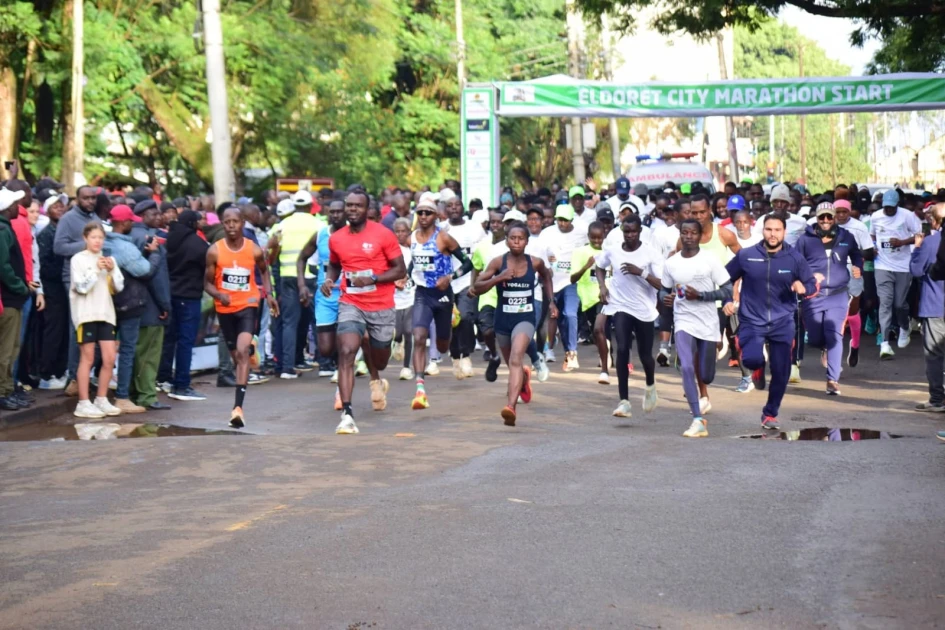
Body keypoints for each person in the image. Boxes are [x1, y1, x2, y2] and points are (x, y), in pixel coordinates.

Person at [323, 190, 406, 434]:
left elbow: (400, 270)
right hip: (351, 302)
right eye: (349, 205)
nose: (352, 209)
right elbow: (334, 264)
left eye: (357, 206)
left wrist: (374, 278)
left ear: (367, 209)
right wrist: (329, 280)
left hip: (381, 306)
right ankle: (347, 414)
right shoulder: (337, 238)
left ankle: (377, 376)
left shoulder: (383, 234)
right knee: (346, 351)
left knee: (380, 359)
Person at [726, 215, 817, 431]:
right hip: (752, 319)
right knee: (752, 359)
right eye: (769, 229)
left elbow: (812, 285)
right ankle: (756, 368)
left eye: (777, 230)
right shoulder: (746, 255)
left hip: (782, 321)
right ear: (763, 231)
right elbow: (725, 278)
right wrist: (729, 299)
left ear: (784, 232)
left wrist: (804, 288)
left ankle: (770, 413)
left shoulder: (794, 258)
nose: (773, 234)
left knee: (781, 370)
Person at [474, 222, 555, 425]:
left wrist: (552, 301)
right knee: (512, 363)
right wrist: (498, 278)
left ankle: (510, 407)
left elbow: (547, 277)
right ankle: (524, 380)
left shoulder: (535, 262)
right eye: (512, 238)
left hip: (525, 318)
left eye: (521, 239)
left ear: (527, 242)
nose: (516, 242)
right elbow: (477, 286)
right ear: (507, 241)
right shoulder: (497, 262)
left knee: (516, 358)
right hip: (502, 320)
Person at [204, 206, 278, 428]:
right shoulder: (214, 251)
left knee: (242, 351)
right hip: (225, 308)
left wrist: (269, 294)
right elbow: (206, 283)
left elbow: (264, 270)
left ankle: (238, 409)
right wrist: (219, 294)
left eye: (235, 221)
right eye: (227, 222)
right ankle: (250, 352)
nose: (231, 226)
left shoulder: (253, 249)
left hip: (248, 304)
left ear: (242, 223)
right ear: (222, 224)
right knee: (237, 356)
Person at [662, 219, 733, 438]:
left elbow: (727, 290)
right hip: (683, 320)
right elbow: (663, 290)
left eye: (693, 233)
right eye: (685, 232)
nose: (689, 236)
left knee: (707, 375)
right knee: (686, 367)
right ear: (680, 235)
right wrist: (666, 297)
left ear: (700, 236)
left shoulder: (709, 260)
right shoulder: (671, 263)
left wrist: (701, 295)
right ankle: (697, 419)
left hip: (708, 322)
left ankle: (704, 389)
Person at [408, 197, 472, 410]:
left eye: (428, 212)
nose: (423, 216)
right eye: (420, 212)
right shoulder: (412, 238)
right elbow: (414, 262)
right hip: (422, 294)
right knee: (419, 337)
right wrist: (405, 277)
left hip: (443, 294)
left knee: (443, 345)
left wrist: (450, 277)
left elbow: (468, 263)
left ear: (436, 216)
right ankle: (420, 389)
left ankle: (450, 326)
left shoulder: (443, 237)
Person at [597, 215, 662, 417]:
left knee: (645, 356)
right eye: (627, 231)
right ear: (622, 231)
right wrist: (602, 287)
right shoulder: (613, 250)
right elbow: (599, 266)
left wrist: (640, 272)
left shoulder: (651, 253)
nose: (630, 235)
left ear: (640, 231)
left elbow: (662, 284)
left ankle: (650, 385)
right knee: (622, 348)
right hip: (620, 305)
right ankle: (624, 401)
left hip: (644, 309)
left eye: (634, 231)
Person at [795, 202, 863, 396]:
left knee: (835, 336)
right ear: (816, 218)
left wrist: (858, 266)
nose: (825, 220)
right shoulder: (805, 240)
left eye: (829, 217)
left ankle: (832, 380)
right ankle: (823, 347)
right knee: (815, 338)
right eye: (822, 217)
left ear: (834, 218)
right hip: (813, 296)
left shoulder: (846, 236)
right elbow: (795, 263)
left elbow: (856, 254)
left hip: (838, 294)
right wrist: (803, 280)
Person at [105, 205, 162, 413]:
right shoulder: (124, 247)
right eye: (130, 221)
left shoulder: (104, 242)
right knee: (127, 350)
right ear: (123, 223)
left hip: (106, 304)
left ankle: (100, 396)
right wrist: (154, 254)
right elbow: (145, 271)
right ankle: (122, 397)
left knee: (103, 351)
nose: (133, 224)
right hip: (128, 304)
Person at [69, 223, 124, 418]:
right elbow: (81, 287)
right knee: (88, 358)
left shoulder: (109, 259)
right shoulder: (78, 259)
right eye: (93, 237)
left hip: (106, 314)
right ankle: (83, 402)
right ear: (85, 238)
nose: (97, 241)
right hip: (86, 314)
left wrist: (111, 270)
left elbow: (119, 286)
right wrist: (95, 270)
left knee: (109, 358)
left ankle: (101, 399)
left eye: (100, 237)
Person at [268, 191, 322, 379]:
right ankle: (325, 364)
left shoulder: (282, 225)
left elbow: (271, 251)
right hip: (310, 277)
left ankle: (287, 368)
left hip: (287, 276)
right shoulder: (318, 224)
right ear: (310, 206)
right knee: (318, 320)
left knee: (289, 322)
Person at [299, 200, 347, 408]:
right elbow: (302, 258)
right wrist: (302, 285)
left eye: (339, 211)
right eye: (332, 212)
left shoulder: (353, 234)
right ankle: (342, 363)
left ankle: (342, 387)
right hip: (325, 296)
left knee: (346, 342)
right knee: (326, 348)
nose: (335, 215)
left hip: (348, 295)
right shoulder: (320, 235)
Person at [129, 200, 173, 411]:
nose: (159, 217)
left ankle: (133, 392)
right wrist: (165, 305)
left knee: (135, 351)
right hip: (151, 305)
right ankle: (146, 395)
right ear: (142, 215)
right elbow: (157, 278)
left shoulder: (129, 235)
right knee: (149, 353)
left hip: (131, 302)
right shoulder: (149, 239)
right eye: (153, 214)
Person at [871, 189, 922, 359]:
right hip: (882, 265)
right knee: (885, 303)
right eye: (886, 207)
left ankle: (904, 327)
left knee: (899, 304)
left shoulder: (907, 216)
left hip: (902, 266)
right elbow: (872, 235)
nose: (889, 210)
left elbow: (920, 235)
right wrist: (873, 247)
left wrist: (903, 242)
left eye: (892, 207)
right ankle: (884, 344)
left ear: (897, 205)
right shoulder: (876, 216)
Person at [165, 209, 210, 401]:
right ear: (192, 224)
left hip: (170, 294)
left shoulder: (170, 239)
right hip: (189, 296)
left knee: (170, 339)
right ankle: (182, 384)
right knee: (186, 341)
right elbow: (208, 265)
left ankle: (165, 378)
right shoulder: (197, 244)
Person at [444, 196, 485, 379]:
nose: (454, 208)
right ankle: (455, 356)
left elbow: (482, 251)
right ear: (445, 209)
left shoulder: (474, 227)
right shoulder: (441, 228)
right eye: (449, 205)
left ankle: (466, 355)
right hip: (445, 282)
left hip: (467, 281)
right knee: (451, 321)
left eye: (457, 205)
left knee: (466, 317)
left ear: (463, 208)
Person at [543, 204, 588, 371]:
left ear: (572, 220)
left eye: (566, 220)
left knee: (570, 314)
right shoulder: (547, 233)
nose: (562, 223)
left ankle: (572, 352)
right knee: (555, 318)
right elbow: (539, 254)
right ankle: (553, 349)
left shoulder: (582, 232)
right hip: (551, 282)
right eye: (559, 220)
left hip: (571, 282)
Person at [829, 199, 874, 368]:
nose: (841, 215)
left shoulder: (859, 227)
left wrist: (851, 252)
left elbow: (869, 252)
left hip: (854, 270)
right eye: (838, 212)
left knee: (852, 311)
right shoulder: (826, 225)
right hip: (833, 271)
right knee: (836, 313)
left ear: (850, 212)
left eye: (844, 212)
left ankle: (855, 345)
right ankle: (834, 352)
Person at [910, 203, 945, 412]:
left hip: (934, 305)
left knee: (934, 355)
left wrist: (917, 248)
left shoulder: (930, 242)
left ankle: (937, 399)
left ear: (933, 220)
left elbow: (916, 270)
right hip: (935, 305)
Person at [0, 187, 31, 410]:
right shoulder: (2, 230)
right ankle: (2, 392)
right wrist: (20, 287)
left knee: (13, 347)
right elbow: (3, 266)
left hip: (13, 298)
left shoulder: (6, 227)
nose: (17, 207)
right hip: (8, 298)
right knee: (6, 349)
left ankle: (8, 389)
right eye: (13, 204)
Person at [37, 194, 69, 389]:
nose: (60, 209)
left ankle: (59, 370)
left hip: (64, 289)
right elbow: (43, 265)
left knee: (63, 331)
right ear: (48, 211)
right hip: (52, 289)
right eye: (55, 206)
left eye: (62, 206)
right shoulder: (46, 234)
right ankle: (46, 374)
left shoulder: (62, 231)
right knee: (53, 331)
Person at [570, 221, 609, 382]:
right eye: (593, 238)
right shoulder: (580, 252)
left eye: (600, 238)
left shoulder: (609, 251)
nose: (597, 241)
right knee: (597, 333)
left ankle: (605, 370)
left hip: (606, 297)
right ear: (588, 236)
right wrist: (586, 266)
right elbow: (573, 279)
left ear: (604, 236)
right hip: (588, 300)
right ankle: (607, 352)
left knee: (600, 329)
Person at [391, 217, 416, 380]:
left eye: (403, 231)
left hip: (411, 295)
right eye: (397, 231)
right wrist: (394, 281)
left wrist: (409, 279)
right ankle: (397, 342)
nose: (400, 234)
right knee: (397, 332)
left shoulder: (414, 249)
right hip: (394, 297)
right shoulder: (391, 250)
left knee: (408, 331)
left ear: (409, 232)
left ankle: (406, 368)